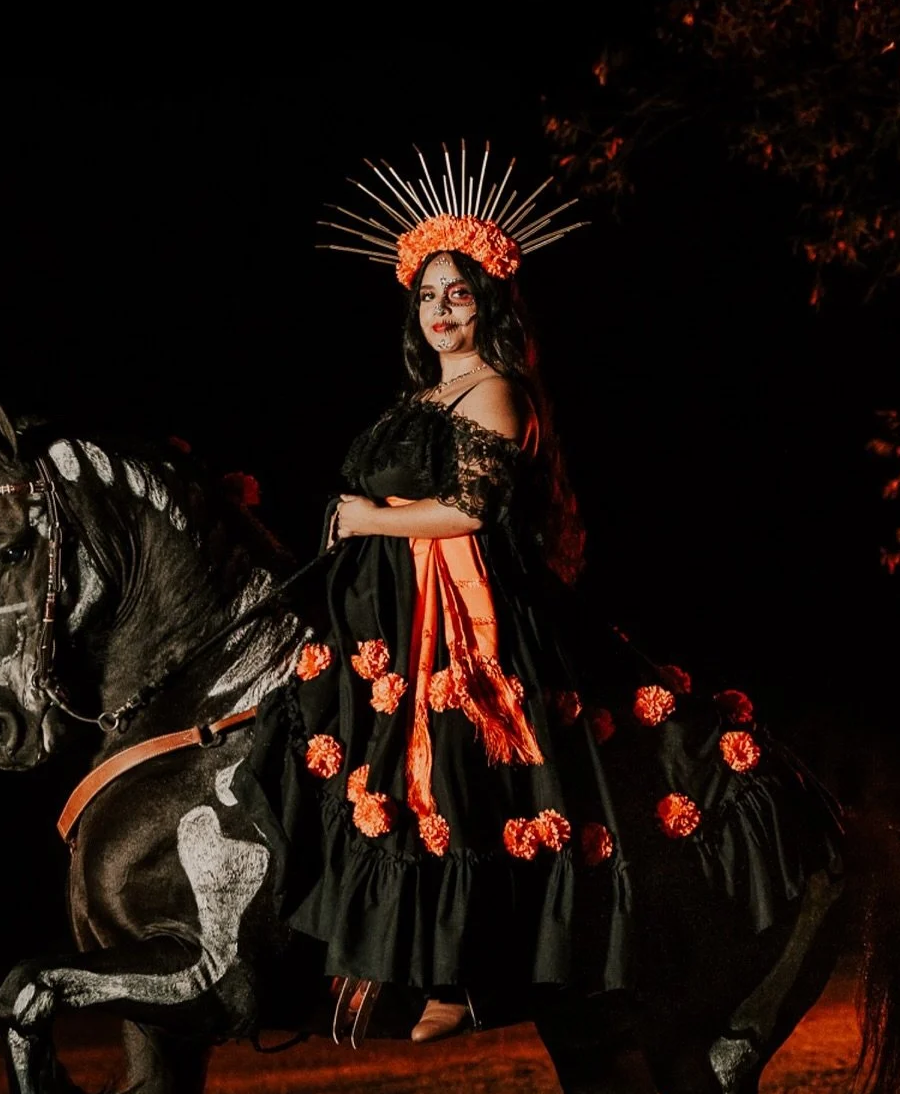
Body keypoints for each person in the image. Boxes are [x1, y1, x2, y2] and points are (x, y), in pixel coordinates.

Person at [239, 146, 842, 1042]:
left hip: (477, 623)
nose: (443, 311)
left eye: (459, 293)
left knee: (459, 774)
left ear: (490, 300)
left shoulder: (498, 393)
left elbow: (469, 513)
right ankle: (348, 959)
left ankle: (466, 976)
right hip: (392, 618)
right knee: (332, 750)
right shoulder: (424, 395)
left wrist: (365, 520)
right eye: (429, 296)